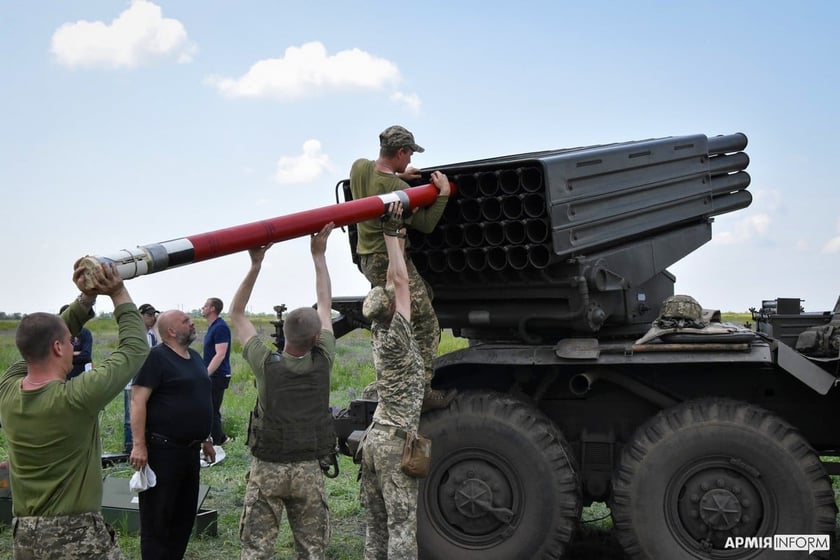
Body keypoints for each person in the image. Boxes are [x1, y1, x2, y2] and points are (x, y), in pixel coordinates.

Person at [0, 260, 149, 559]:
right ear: (58, 348)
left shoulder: (7, 390)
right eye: (70, 342)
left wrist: (86, 299)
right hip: (75, 538)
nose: (74, 348)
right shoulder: (76, 398)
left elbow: (45, 336)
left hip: (25, 537)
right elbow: (135, 347)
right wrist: (117, 291)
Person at [230, 223, 337, 560]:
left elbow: (236, 313)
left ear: (284, 334)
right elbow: (324, 302)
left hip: (268, 469)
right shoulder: (324, 359)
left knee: (256, 551)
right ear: (317, 339)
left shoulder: (265, 362)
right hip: (308, 468)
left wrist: (255, 264)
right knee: (312, 550)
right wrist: (318, 256)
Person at [350, 124, 456, 411]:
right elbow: (425, 224)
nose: (410, 161)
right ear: (400, 152)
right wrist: (443, 194)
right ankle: (420, 390)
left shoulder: (359, 168)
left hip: (367, 258)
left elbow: (378, 178)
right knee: (426, 324)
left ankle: (387, 380)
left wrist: (398, 175)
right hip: (390, 258)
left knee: (405, 310)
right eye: (409, 155)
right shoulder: (397, 190)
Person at [359, 203, 425, 559]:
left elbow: (389, 284)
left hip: (373, 441)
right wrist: (393, 230)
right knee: (401, 527)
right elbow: (399, 281)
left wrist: (391, 239)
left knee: (376, 525)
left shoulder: (377, 331)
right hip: (394, 444)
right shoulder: (399, 334)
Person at [129, 309, 216, 560]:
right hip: (162, 451)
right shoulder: (156, 359)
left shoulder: (195, 358)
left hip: (190, 453)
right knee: (158, 519)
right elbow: (137, 401)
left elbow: (200, 400)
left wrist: (206, 439)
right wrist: (138, 445)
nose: (192, 324)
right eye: (186, 321)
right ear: (171, 331)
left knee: (183, 517)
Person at [124, 303, 159, 454]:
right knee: (129, 416)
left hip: (146, 382)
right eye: (149, 315)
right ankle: (129, 447)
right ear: (140, 316)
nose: (152, 318)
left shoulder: (151, 335)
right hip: (132, 381)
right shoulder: (133, 334)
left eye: (154, 315)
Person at [201, 296, 233, 445]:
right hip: (213, 374)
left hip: (218, 375)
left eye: (205, 306)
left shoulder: (220, 327)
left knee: (212, 410)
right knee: (210, 409)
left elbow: (220, 354)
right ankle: (218, 438)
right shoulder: (213, 326)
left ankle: (217, 441)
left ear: (213, 308)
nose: (203, 308)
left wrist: (206, 374)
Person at [59, 303, 93, 379]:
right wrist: (77, 353)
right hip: (64, 377)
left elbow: (86, 356)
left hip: (84, 376)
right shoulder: (57, 335)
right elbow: (55, 358)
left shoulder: (85, 333)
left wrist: (66, 356)